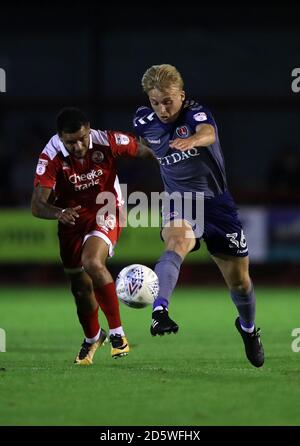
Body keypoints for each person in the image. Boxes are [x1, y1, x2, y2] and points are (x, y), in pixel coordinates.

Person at [133, 64, 264, 367]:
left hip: (218, 206)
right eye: (155, 102)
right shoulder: (143, 120)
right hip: (181, 201)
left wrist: (191, 140)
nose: (162, 109)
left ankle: (247, 329)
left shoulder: (196, 114)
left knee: (241, 283)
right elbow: (144, 145)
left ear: (181, 94)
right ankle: (159, 311)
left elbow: (207, 133)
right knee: (176, 243)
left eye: (168, 100)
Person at [31, 107, 150, 365]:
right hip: (70, 216)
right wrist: (58, 212)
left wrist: (171, 162)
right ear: (60, 137)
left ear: (89, 129)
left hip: (106, 207)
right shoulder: (50, 156)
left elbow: (142, 149)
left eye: (82, 138)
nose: (78, 145)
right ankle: (93, 337)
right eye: (70, 141)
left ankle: (118, 334)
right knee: (81, 289)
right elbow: (37, 205)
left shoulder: (106, 140)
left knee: (93, 262)